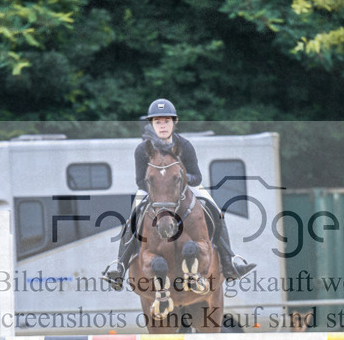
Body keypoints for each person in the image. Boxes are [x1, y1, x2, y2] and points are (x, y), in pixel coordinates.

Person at [103, 98, 256, 290]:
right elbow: (140, 181)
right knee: (132, 219)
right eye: (158, 122)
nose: (162, 125)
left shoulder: (185, 145)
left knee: (216, 211)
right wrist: (159, 192)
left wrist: (180, 182)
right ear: (152, 124)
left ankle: (230, 262)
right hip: (153, 191)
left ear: (174, 122)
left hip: (185, 188)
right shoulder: (142, 150)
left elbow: (197, 177)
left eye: (166, 121)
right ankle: (120, 267)